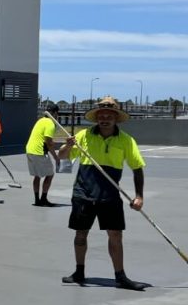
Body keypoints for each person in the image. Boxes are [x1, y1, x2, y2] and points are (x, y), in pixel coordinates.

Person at [57, 96, 146, 291]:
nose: (105, 118)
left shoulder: (126, 141)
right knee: (81, 234)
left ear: (116, 118)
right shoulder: (83, 136)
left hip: (110, 196)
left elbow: (137, 168)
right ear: (96, 117)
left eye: (109, 115)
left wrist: (139, 196)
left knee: (115, 236)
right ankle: (79, 272)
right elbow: (61, 157)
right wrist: (68, 145)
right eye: (101, 115)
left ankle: (120, 277)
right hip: (83, 193)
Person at [25, 103, 61, 206]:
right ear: (54, 113)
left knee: (37, 176)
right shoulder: (50, 123)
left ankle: (37, 200)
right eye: (57, 114)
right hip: (39, 152)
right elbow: (49, 142)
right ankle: (43, 199)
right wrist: (56, 158)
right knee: (50, 174)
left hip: (30, 149)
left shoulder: (40, 121)